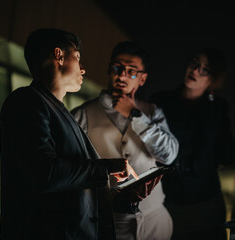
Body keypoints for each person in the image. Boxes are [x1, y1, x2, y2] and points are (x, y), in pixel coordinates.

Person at [0, 28, 132, 240]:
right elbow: (44, 173)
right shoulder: (26, 101)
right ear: (59, 56)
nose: (83, 69)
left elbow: (72, 187)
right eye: (77, 57)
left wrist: (126, 196)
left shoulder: (58, 111)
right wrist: (106, 168)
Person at [151, 47, 235, 240]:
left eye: (205, 69)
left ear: (213, 80)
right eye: (194, 63)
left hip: (207, 199)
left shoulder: (218, 107)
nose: (196, 70)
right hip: (169, 200)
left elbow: (224, 155)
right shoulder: (160, 101)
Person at [71, 41, 179, 240]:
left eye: (131, 71)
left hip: (155, 220)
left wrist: (135, 116)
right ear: (109, 69)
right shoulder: (81, 115)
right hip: (109, 223)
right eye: (117, 68)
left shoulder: (152, 112)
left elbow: (169, 154)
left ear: (143, 79)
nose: (121, 75)